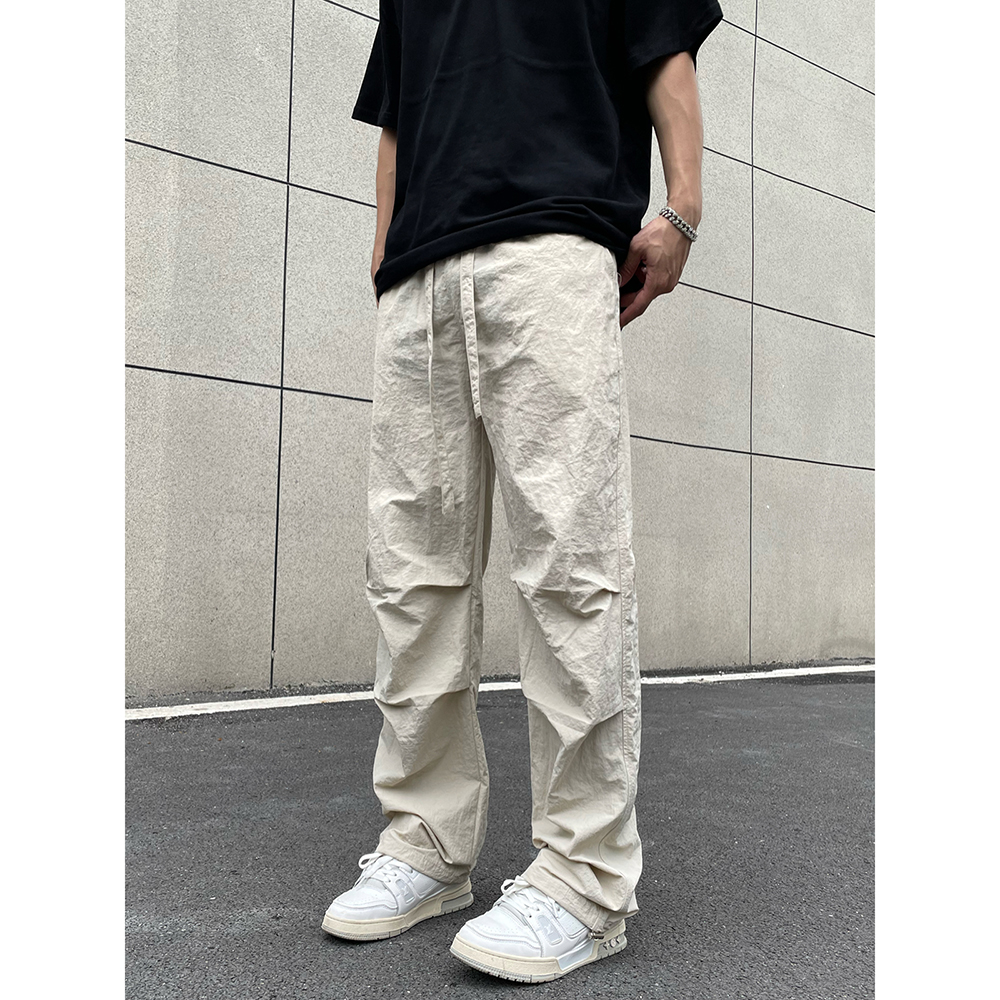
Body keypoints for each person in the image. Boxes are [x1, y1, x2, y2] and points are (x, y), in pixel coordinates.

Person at [322, 0, 723, 984]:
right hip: (419, 271)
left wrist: (680, 207)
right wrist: (383, 255)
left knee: (569, 563)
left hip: (551, 245)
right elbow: (397, 115)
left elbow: (663, 45)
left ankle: (585, 880)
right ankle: (425, 842)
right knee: (410, 572)